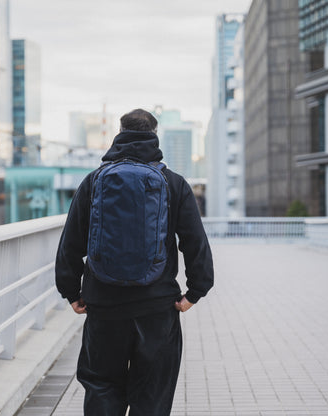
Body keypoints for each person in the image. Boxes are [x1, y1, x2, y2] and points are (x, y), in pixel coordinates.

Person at [55, 108, 214, 416]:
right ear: (154, 135)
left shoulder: (93, 181)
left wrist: (71, 292)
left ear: (120, 132)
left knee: (102, 386)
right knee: (152, 393)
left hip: (104, 305)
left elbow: (71, 242)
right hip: (157, 307)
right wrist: (195, 292)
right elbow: (195, 242)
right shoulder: (174, 183)